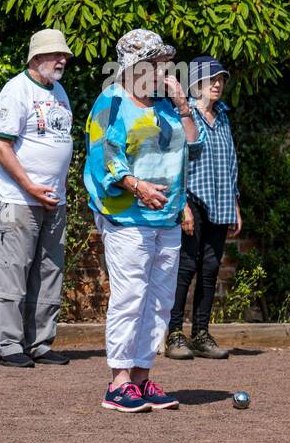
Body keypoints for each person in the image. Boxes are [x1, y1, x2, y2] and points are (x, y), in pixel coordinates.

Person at [83, 29, 205, 412]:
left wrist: (184, 107)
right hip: (127, 215)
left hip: (166, 217)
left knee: (160, 300)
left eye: (164, 62)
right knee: (131, 295)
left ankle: (141, 376)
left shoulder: (167, 105)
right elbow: (105, 154)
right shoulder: (111, 102)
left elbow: (193, 148)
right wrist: (136, 187)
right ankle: (118, 382)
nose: (163, 68)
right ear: (133, 67)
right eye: (155, 62)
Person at [0, 28, 74, 368]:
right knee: (13, 268)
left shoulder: (60, 91)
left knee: (50, 269)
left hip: (53, 199)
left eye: (64, 55)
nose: (62, 59)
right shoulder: (16, 90)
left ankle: (40, 342)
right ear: (35, 58)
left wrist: (53, 188)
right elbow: (1, 145)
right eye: (55, 54)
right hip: (16, 198)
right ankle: (9, 345)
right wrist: (30, 186)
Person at [165, 56, 240, 360]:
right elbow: (173, 164)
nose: (218, 84)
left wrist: (235, 204)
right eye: (212, 80)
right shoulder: (184, 116)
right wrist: (181, 205)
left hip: (221, 201)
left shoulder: (223, 117)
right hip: (192, 198)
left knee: (209, 270)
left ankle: (200, 334)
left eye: (221, 79)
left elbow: (231, 162)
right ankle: (173, 336)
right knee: (185, 268)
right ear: (196, 84)